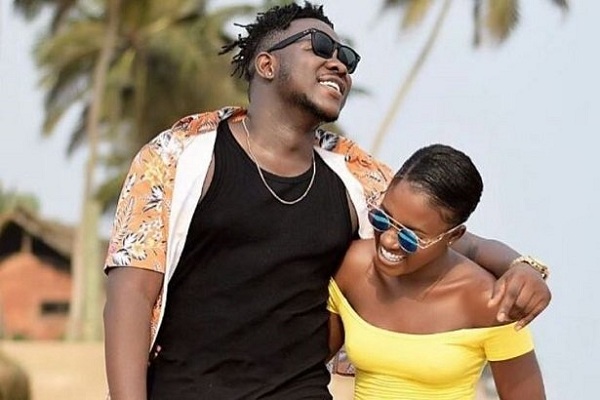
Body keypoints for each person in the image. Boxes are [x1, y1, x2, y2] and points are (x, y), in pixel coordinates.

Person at [102, 2, 551, 400]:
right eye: (319, 47)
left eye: (347, 57)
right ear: (266, 64)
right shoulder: (178, 157)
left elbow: (452, 240)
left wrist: (522, 267)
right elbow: (131, 296)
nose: (339, 64)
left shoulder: (356, 176)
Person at [328, 144, 546, 399]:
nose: (387, 239)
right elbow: (303, 368)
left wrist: (528, 267)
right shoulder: (353, 269)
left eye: (410, 237)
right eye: (382, 218)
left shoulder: (490, 301)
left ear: (453, 237)